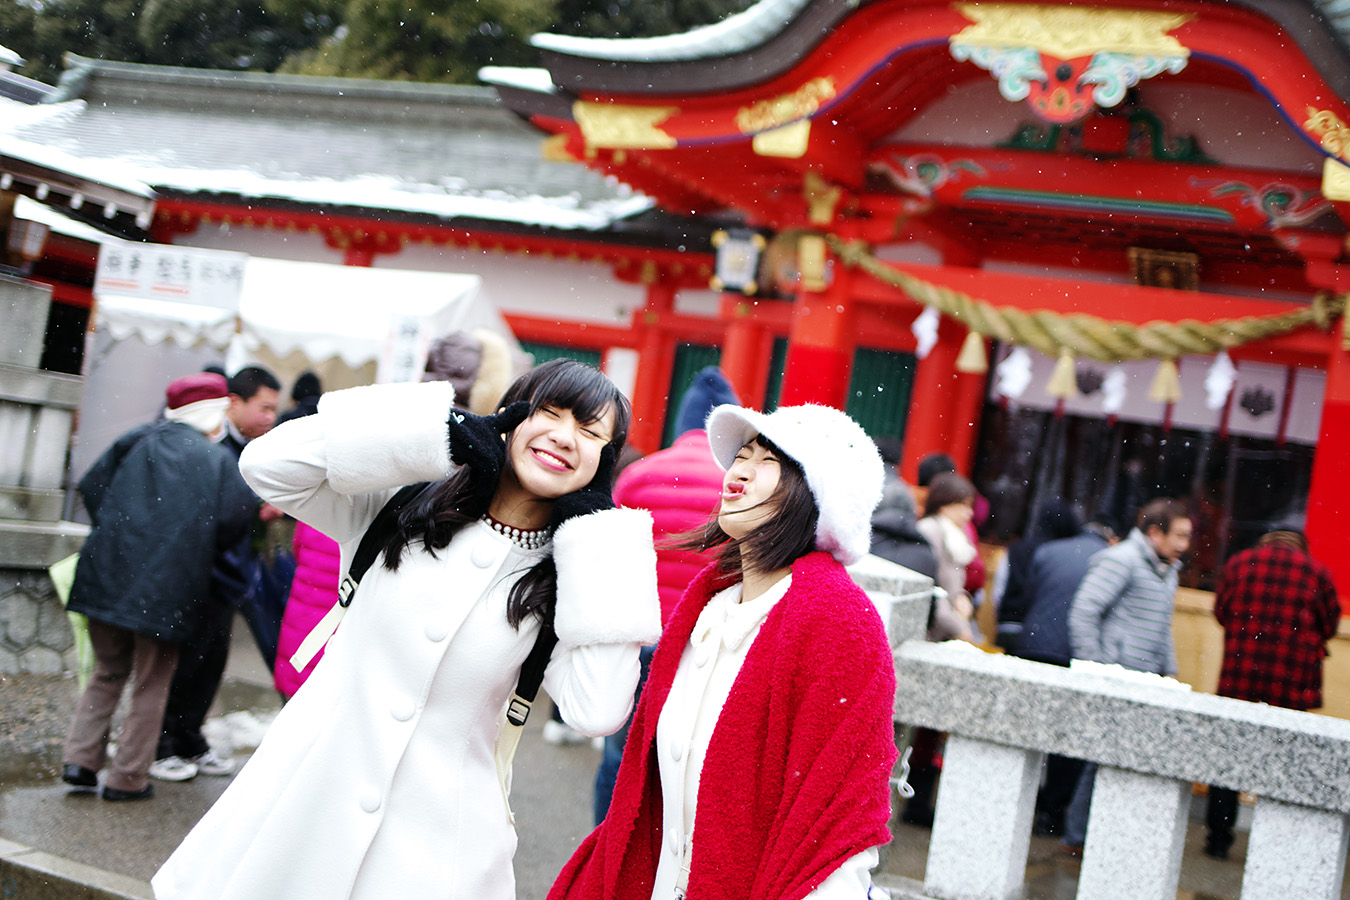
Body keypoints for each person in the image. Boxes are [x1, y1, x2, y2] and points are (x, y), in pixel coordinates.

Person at [152, 358, 660, 900]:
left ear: (604, 460)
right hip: (304, 806)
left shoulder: (565, 580)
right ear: (509, 418)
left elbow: (596, 710)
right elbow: (267, 464)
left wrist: (600, 538)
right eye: (550, 413)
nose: (563, 437)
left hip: (438, 849)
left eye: (589, 431)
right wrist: (435, 430)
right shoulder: (404, 505)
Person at [549, 403, 896, 900]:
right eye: (743, 454)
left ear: (817, 494)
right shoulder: (707, 607)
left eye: (768, 460)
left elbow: (838, 823)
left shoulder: (839, 622)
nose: (740, 469)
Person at [61, 373, 256, 801]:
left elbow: (93, 488)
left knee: (107, 672)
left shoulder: (135, 440)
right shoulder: (215, 459)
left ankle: (80, 760)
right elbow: (234, 520)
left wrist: (124, 532)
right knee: (152, 681)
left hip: (104, 577)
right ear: (210, 413)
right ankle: (126, 778)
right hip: (167, 589)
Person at [592, 365, 737, 824]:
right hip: (704, 645)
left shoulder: (639, 475)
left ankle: (605, 853)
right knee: (688, 762)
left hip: (639, 637)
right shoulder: (738, 491)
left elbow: (605, 559)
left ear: (680, 424)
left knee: (621, 753)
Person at [150, 364, 284, 782]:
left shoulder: (254, 446)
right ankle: (162, 745)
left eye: (274, 409)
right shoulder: (206, 443)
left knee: (210, 664)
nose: (270, 417)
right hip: (197, 573)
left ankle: (189, 738)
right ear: (234, 403)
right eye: (263, 407)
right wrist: (250, 509)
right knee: (181, 664)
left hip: (230, 573)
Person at [1061, 498, 1192, 853]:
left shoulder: (1169, 568)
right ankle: (1078, 838)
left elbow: (1161, 626)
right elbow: (1084, 613)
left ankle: (1098, 837)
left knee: (1120, 761)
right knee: (1100, 762)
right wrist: (1100, 669)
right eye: (1179, 535)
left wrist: (1170, 674)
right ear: (1154, 533)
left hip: (1146, 680)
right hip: (1117, 678)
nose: (1185, 544)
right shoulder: (1122, 560)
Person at [1203, 524, 1339, 860]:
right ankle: (1275, 844)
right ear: (1300, 547)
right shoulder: (1317, 573)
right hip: (1289, 684)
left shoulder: (1239, 564)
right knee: (1286, 763)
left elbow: (1221, 612)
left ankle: (1218, 839)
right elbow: (1330, 625)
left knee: (1228, 762)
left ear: (1266, 541)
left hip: (1239, 679)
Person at [1017, 519, 1117, 837]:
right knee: (1067, 738)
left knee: (1026, 728)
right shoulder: (1109, 559)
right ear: (1111, 536)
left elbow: (1029, 595)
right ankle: (1051, 811)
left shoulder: (1048, 551)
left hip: (1034, 646)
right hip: (1075, 654)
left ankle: (1019, 801)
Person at [993, 498, 1081, 653]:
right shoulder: (1062, 555)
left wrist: (1004, 614)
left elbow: (999, 588)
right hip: (1041, 633)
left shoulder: (1016, 549)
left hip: (1009, 625)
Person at [915, 472, 979, 642]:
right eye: (964, 506)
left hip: (945, 626)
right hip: (932, 628)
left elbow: (952, 584)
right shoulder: (930, 530)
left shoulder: (955, 533)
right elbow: (933, 587)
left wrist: (961, 596)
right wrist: (959, 628)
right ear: (944, 504)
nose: (969, 513)